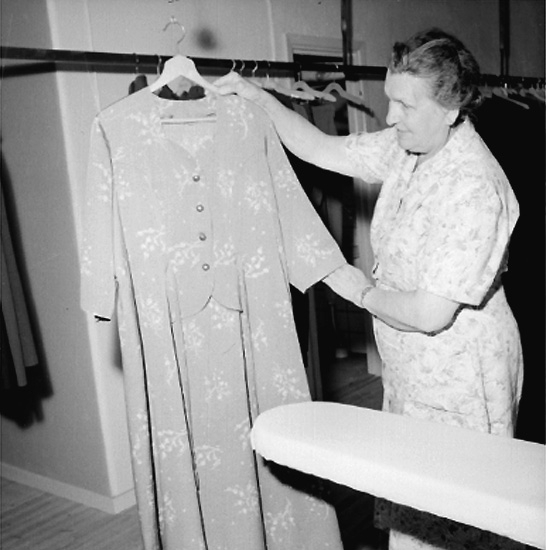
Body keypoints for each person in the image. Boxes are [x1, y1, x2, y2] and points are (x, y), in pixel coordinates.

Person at [214, 28, 524, 550]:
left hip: (460, 373)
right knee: (415, 509)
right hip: (411, 367)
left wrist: (361, 293)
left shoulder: (473, 186)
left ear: (451, 109)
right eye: (389, 100)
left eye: (406, 105)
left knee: (458, 519)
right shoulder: (409, 149)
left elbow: (429, 313)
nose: (391, 116)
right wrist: (257, 97)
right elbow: (321, 148)